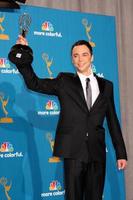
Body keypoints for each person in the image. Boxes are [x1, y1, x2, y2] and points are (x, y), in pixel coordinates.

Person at [14, 36, 127, 200]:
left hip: (97, 152)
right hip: (73, 151)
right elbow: (34, 83)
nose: (80, 59)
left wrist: (121, 153)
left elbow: (112, 120)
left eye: (84, 54)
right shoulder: (64, 81)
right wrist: (22, 55)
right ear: (72, 60)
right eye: (75, 55)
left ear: (92, 57)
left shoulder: (106, 86)